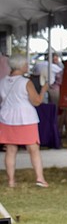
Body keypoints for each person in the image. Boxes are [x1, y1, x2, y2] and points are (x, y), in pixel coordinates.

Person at [0, 54, 50, 188]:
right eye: (26, 64)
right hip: (26, 118)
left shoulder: (2, 81)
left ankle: (11, 181)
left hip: (7, 117)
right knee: (33, 149)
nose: (27, 66)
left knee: (10, 150)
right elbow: (37, 101)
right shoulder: (26, 82)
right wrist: (43, 90)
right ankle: (40, 178)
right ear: (21, 66)